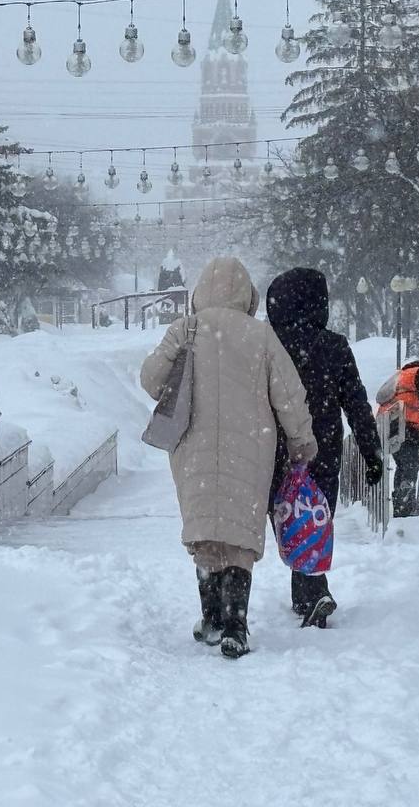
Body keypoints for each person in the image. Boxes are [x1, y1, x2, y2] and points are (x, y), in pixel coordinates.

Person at [140, 257, 317, 660]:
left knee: (205, 530)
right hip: (251, 446)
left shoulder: (186, 328)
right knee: (239, 532)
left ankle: (212, 618)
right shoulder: (262, 336)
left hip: (192, 446)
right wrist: (301, 441)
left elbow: (151, 380)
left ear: (200, 291)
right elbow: (289, 396)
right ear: (247, 296)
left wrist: (178, 350)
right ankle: (237, 624)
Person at [266, 267, 383, 628]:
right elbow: (356, 403)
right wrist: (370, 451)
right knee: (316, 519)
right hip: (324, 452)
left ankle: (311, 591)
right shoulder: (334, 346)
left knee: (289, 521)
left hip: (276, 452)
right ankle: (310, 590)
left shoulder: (269, 346)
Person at [376, 357, 419, 517]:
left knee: (404, 464)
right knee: (410, 463)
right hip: (402, 423)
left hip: (393, 423)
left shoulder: (405, 373)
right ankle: (405, 507)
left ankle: (402, 506)